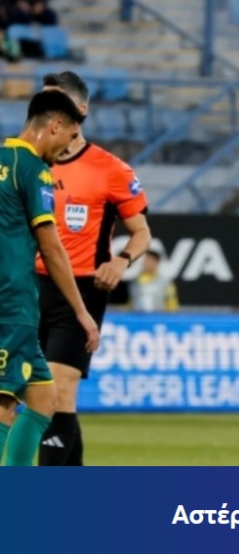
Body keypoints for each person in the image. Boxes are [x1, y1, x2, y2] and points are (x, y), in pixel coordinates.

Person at [35, 72, 152, 466]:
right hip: (27, 287)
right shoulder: (26, 162)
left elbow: (141, 233)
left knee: (58, 392)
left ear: (80, 110)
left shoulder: (111, 170)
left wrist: (121, 260)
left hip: (82, 290)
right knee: (40, 396)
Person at [0, 90, 99, 466]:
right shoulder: (34, 169)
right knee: (4, 404)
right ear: (55, 126)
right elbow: (52, 248)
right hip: (13, 302)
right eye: (71, 136)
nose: (69, 147)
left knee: (45, 399)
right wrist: (81, 312)